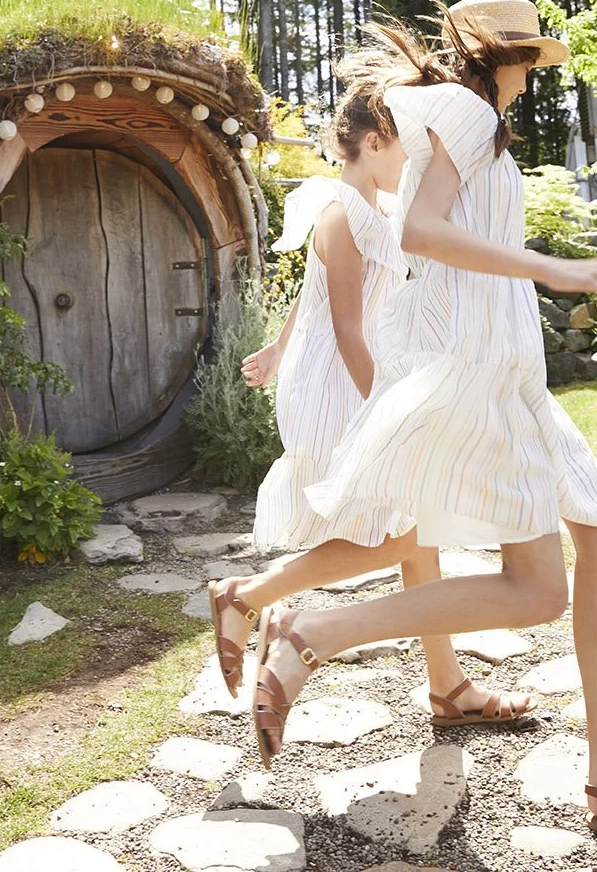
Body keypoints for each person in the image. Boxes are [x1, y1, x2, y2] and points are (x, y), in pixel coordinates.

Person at [251, 0, 597, 833]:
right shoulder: (468, 113)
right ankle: (310, 630)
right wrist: (554, 266)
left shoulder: (454, 116)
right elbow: (420, 231)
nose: (532, 80)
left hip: (502, 370)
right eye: (530, 63)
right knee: (534, 590)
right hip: (486, 371)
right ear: (507, 58)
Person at [209, 57, 534, 763]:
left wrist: (274, 344)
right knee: (398, 536)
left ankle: (446, 684)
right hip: (340, 385)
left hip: (352, 374)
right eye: (402, 146)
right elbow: (349, 325)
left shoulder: (369, 211)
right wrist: (381, 413)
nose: (411, 161)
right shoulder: (339, 210)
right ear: (374, 142)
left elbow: (313, 295)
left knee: (414, 533)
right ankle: (249, 594)